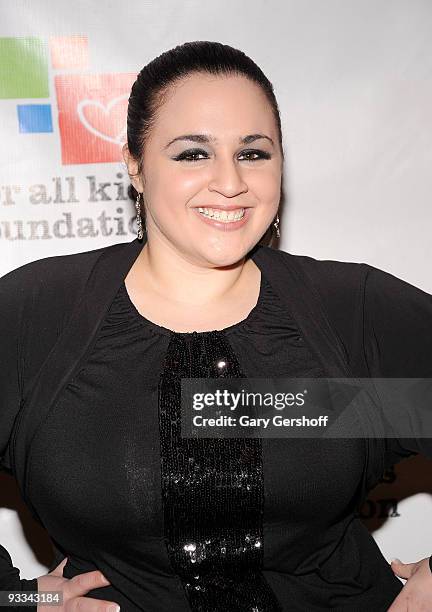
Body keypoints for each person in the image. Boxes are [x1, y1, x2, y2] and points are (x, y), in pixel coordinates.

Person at [0, 40, 431, 612]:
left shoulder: (349, 312)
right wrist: (19, 600)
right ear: (135, 165)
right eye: (192, 154)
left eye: (253, 153)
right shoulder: (38, 316)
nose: (230, 181)